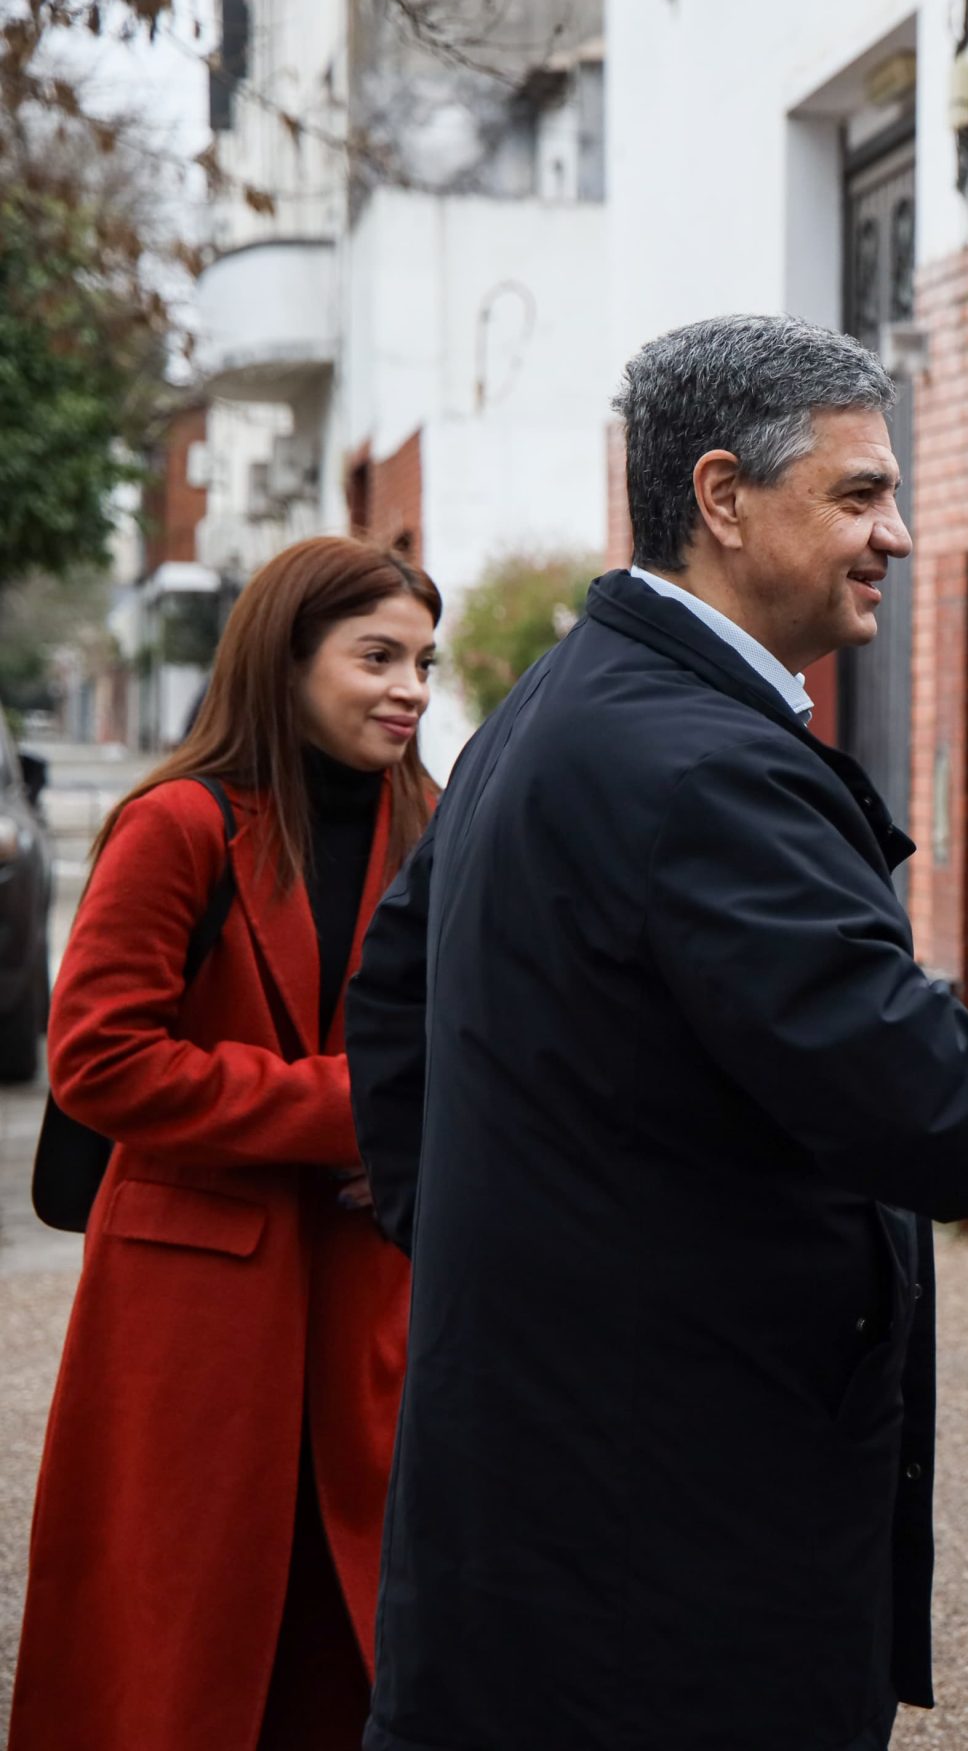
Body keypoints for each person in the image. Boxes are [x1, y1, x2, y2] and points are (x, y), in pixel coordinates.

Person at [344, 315, 968, 1751]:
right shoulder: (697, 759)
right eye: (859, 495)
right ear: (723, 497)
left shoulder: (559, 708)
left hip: (562, 1479)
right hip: (673, 1530)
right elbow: (902, 1076)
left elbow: (392, 1008)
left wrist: (513, 1270)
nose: (898, 535)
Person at [12, 536, 441, 1751]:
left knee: (344, 1633)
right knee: (173, 1645)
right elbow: (98, 1059)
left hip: (370, 1286)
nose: (410, 686)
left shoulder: (435, 824)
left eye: (422, 659)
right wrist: (352, 1110)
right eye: (376, 657)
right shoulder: (178, 824)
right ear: (287, 660)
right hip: (190, 1307)